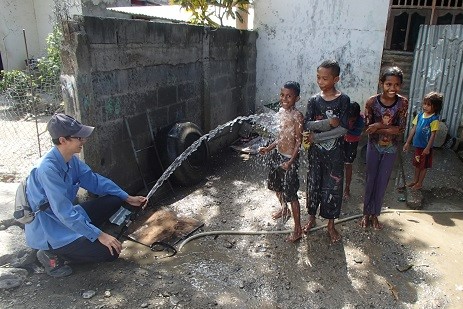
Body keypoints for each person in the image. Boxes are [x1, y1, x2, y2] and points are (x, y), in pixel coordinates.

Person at [25, 113, 147, 277]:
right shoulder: (47, 170)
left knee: (115, 199)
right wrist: (100, 235)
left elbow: (95, 181)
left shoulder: (70, 160)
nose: (84, 140)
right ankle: (51, 254)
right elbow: (64, 212)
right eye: (79, 138)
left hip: (66, 218)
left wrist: (127, 197)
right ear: (63, 140)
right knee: (110, 252)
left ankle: (84, 237)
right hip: (52, 231)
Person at [303, 60, 350, 243]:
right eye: (318, 78)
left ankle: (331, 225)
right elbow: (306, 124)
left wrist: (317, 137)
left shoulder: (343, 100)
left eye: (325, 78)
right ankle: (312, 218)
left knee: (333, 187)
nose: (320, 82)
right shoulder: (314, 100)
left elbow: (344, 129)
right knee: (313, 185)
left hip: (335, 154)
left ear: (336, 79)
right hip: (316, 154)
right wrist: (328, 123)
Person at [360, 66, 409, 230]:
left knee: (382, 182)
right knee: (370, 180)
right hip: (374, 146)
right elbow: (368, 128)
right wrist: (386, 128)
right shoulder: (372, 102)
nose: (392, 88)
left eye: (396, 85)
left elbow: (400, 129)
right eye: (388, 84)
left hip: (391, 148)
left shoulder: (402, 103)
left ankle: (375, 215)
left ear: (400, 86)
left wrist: (379, 125)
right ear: (382, 83)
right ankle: (366, 213)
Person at [259, 81, 304, 243]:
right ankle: (285, 210)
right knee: (276, 186)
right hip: (277, 155)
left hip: (289, 159)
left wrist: (290, 162)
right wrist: (269, 148)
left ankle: (297, 229)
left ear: (296, 98)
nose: (285, 99)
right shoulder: (280, 112)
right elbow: (280, 137)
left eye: (289, 96)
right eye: (282, 95)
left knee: (291, 194)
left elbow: (299, 142)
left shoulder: (297, 116)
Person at [403, 91, 443, 190]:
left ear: (436, 107)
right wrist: (408, 142)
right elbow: (414, 128)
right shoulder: (420, 115)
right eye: (424, 104)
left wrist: (428, 148)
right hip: (418, 146)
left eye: (429, 105)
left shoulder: (434, 119)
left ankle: (420, 183)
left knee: (423, 166)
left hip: (425, 148)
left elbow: (433, 135)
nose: (425, 106)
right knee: (417, 164)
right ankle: (415, 181)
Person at [343, 102, 365, 200]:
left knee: (348, 165)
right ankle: (336, 187)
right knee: (336, 164)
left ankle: (347, 189)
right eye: (349, 119)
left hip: (352, 142)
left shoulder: (361, 120)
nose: (350, 123)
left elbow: (358, 132)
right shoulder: (342, 115)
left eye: (353, 120)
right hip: (342, 139)